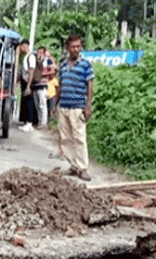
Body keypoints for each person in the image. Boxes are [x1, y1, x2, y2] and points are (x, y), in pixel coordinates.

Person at [56, 34, 94, 182]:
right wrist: (55, 105)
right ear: (67, 48)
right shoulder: (64, 65)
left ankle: (82, 168)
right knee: (65, 138)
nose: (76, 49)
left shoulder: (85, 65)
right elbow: (60, 85)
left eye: (78, 46)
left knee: (79, 138)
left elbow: (90, 85)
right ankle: (73, 165)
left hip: (78, 107)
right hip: (64, 106)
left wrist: (88, 106)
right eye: (73, 47)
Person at [17, 39, 36, 131]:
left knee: (29, 102)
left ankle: (29, 122)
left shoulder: (31, 57)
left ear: (25, 46)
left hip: (28, 82)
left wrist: (28, 85)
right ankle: (26, 122)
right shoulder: (25, 57)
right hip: (24, 82)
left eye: (21, 47)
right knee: (25, 101)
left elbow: (31, 71)